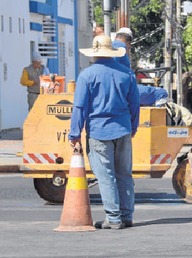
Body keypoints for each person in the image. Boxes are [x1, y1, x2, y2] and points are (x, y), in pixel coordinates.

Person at [68, 35, 140, 229]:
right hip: (123, 129)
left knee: (106, 176)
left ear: (94, 54)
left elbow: (80, 108)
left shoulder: (87, 75)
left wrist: (74, 135)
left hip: (99, 131)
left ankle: (114, 218)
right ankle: (126, 216)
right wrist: (133, 127)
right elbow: (134, 105)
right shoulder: (127, 74)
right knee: (124, 174)